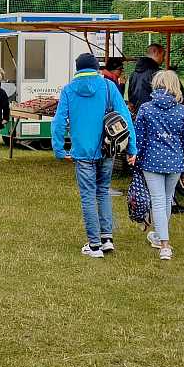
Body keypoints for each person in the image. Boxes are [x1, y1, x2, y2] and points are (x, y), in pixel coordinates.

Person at [52, 53, 137, 258]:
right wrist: (132, 149)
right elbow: (125, 118)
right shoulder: (108, 87)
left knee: (88, 195)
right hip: (107, 150)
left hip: (82, 152)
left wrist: (59, 149)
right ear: (96, 68)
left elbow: (59, 122)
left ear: (77, 69)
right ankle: (107, 238)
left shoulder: (69, 90)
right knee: (102, 191)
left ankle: (94, 245)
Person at [135, 70, 184, 260]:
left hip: (151, 161)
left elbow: (139, 139)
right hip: (175, 162)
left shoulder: (146, 109)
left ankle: (164, 244)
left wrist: (136, 158)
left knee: (159, 200)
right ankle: (160, 238)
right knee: (166, 199)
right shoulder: (182, 111)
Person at [128, 43, 165, 111]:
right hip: (153, 114)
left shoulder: (133, 74)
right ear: (156, 52)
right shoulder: (159, 74)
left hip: (138, 114)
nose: (163, 59)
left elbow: (130, 96)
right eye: (162, 56)